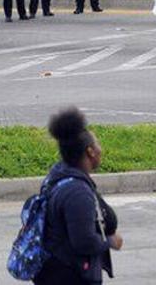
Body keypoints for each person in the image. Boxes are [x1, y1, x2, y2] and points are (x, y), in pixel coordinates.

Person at [34, 107, 123, 285]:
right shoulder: (77, 192)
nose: (101, 149)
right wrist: (110, 242)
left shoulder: (58, 176)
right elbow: (83, 242)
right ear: (90, 151)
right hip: (70, 276)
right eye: (98, 145)